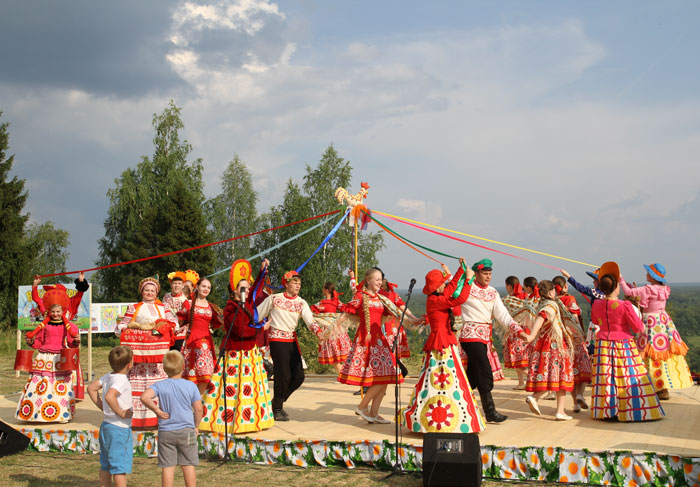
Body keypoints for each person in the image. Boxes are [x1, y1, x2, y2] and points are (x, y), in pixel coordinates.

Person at [401, 258, 485, 433]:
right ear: (437, 286)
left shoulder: (436, 296)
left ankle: (443, 412)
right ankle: (441, 416)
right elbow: (460, 297)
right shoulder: (436, 301)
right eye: (442, 282)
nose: (445, 284)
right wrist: (469, 280)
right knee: (441, 376)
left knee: (442, 377)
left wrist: (461, 270)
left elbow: (451, 287)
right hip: (441, 344)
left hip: (444, 341)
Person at [199, 259, 275, 434]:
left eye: (248, 288)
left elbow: (256, 287)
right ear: (234, 290)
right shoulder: (230, 308)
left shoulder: (247, 302)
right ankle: (230, 421)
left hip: (250, 354)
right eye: (243, 288)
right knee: (233, 389)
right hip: (235, 355)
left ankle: (252, 420)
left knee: (250, 389)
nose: (247, 290)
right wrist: (260, 328)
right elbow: (240, 330)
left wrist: (263, 271)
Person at [590, 262, 665, 421]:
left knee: (606, 378)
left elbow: (595, 321)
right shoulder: (624, 305)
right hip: (623, 344)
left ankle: (607, 411)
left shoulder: (596, 304)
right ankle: (631, 410)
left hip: (603, 344)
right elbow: (638, 328)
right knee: (629, 376)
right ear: (616, 287)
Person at [459, 259, 527, 423]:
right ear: (476, 273)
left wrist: (518, 330)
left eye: (490, 274)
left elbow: (502, 315)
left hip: (484, 337)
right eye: (485, 273)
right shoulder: (467, 288)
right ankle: (490, 411)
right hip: (469, 335)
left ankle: (456, 398)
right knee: (485, 371)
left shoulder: (493, 292)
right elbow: (453, 294)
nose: (488, 277)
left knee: (473, 376)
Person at [337, 267, 403, 424]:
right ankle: (362, 406)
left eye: (381, 279)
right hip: (367, 340)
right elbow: (347, 312)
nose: (380, 282)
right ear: (368, 280)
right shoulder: (360, 296)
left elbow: (394, 312)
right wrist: (333, 327)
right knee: (381, 377)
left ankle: (374, 412)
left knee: (387, 376)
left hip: (380, 340)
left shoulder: (381, 298)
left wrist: (413, 320)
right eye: (377, 279)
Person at [256, 270, 324, 421]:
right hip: (276, 339)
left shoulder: (301, 302)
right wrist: (258, 327)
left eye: (299, 283)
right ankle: (277, 408)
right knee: (283, 374)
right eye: (295, 282)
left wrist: (318, 332)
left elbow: (309, 320)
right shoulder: (274, 299)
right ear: (286, 284)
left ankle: (276, 403)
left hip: (291, 340)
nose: (298, 285)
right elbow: (257, 314)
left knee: (299, 376)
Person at [619, 263, 693, 399]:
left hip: (650, 322)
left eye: (648, 272)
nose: (646, 274)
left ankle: (650, 385)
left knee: (648, 352)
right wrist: (634, 288)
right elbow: (639, 293)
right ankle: (662, 387)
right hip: (663, 321)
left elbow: (628, 293)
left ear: (652, 276)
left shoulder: (647, 289)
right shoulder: (664, 288)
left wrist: (621, 280)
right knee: (663, 353)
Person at [116, 277, 177, 429]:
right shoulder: (134, 307)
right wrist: (128, 329)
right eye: (146, 290)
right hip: (138, 356)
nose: (149, 293)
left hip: (157, 358)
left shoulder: (163, 308)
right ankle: (136, 419)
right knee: (138, 384)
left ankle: (158, 418)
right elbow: (123, 323)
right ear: (142, 291)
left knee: (158, 384)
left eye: (152, 290)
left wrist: (162, 328)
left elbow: (173, 323)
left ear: (157, 292)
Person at [141, 351, 202, 487]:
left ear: (164, 368)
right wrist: (196, 425)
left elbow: (144, 397)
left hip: (166, 431)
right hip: (187, 430)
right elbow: (198, 409)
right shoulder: (191, 386)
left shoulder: (160, 385)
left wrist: (157, 410)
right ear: (183, 367)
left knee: (168, 466)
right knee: (188, 463)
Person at [16, 295, 79, 423]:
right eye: (53, 312)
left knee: (60, 384)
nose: (56, 314)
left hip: (59, 357)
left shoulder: (66, 326)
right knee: (41, 383)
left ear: (63, 312)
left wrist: (76, 341)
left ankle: (62, 414)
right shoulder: (43, 325)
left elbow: (71, 343)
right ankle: (36, 413)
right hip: (44, 357)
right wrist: (31, 341)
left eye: (58, 312)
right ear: (49, 312)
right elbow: (38, 342)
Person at [523, 280, 575, 421]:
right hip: (555, 346)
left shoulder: (542, 304)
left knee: (551, 376)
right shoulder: (549, 306)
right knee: (560, 377)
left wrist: (533, 336)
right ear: (551, 292)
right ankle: (558, 410)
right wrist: (532, 335)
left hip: (545, 344)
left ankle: (541, 401)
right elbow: (542, 317)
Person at [32, 273, 89, 400]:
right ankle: (49, 392)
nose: (51, 296)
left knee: (69, 366)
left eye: (53, 292)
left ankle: (70, 392)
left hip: (68, 340)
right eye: (50, 293)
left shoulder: (71, 304)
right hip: (50, 346)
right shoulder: (48, 310)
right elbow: (37, 299)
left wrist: (81, 282)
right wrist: (34, 286)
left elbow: (80, 293)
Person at [87, 345, 134, 487]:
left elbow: (91, 388)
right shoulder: (122, 380)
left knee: (106, 464)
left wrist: (101, 406)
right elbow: (110, 396)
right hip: (120, 428)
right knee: (119, 467)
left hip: (106, 426)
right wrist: (121, 412)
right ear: (129, 364)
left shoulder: (108, 376)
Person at [177, 277, 223, 395]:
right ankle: (190, 404)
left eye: (209, 287)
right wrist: (186, 326)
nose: (206, 289)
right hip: (191, 342)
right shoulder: (188, 303)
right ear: (197, 287)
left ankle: (199, 403)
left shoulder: (211, 306)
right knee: (191, 377)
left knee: (205, 376)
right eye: (203, 286)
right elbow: (180, 321)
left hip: (206, 344)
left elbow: (217, 323)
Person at [552, 275, 592, 412]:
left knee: (571, 371)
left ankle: (575, 403)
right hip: (575, 337)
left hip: (562, 339)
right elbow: (575, 318)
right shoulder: (570, 299)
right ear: (565, 286)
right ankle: (580, 394)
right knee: (583, 367)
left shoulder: (554, 302)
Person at [312, 282, 352, 374]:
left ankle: (343, 374)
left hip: (328, 330)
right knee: (342, 353)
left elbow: (312, 310)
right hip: (338, 329)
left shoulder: (322, 303)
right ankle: (346, 373)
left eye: (323, 288)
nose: (322, 290)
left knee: (332, 356)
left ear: (326, 290)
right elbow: (345, 309)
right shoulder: (336, 302)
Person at [501, 276, 533, 390]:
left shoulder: (507, 300)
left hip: (515, 332)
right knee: (520, 361)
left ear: (509, 285)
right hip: (528, 331)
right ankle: (521, 383)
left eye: (506, 285)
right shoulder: (527, 297)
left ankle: (533, 379)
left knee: (517, 361)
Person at [163, 272, 188, 351]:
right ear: (171, 285)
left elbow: (184, 319)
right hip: (167, 331)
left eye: (179, 283)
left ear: (183, 285)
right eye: (174, 283)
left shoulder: (185, 300)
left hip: (179, 332)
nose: (177, 286)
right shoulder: (166, 296)